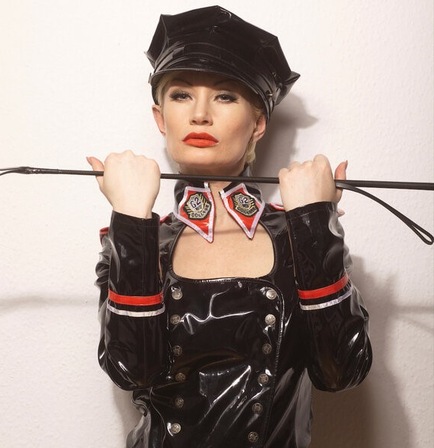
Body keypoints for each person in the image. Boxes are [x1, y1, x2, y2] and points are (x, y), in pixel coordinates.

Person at [87, 5, 372, 448]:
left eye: (225, 96)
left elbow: (341, 372)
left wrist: (315, 223)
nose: (200, 114)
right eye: (181, 95)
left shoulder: (298, 236)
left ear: (258, 123)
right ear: (160, 118)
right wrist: (130, 220)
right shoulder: (140, 239)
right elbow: (132, 371)